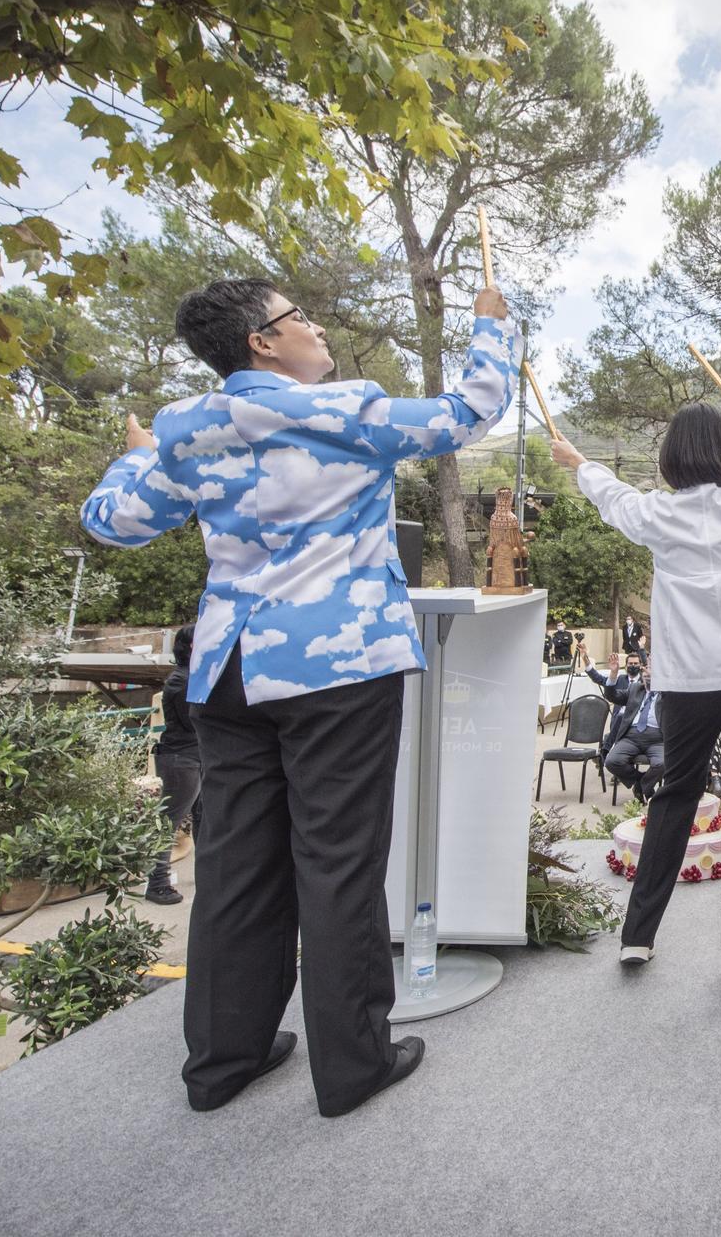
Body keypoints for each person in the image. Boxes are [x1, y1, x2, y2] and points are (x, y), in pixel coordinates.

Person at [82, 276, 517, 1116]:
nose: (315, 327)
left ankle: (222, 1060)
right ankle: (352, 1064)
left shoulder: (185, 430)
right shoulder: (345, 412)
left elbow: (114, 521)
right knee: (339, 863)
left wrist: (138, 450)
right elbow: (469, 407)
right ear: (262, 341)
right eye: (299, 318)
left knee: (236, 866)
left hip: (229, 670)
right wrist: (490, 326)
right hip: (338, 665)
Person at [554, 397, 721, 986]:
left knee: (675, 795)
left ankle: (638, 935)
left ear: (672, 459)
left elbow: (611, 496)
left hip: (688, 682)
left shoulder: (658, 515)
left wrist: (578, 460)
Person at [148, 624, 203, 905]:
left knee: (203, 819)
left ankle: (208, 875)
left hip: (194, 757)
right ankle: (157, 883)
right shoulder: (181, 680)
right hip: (181, 758)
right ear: (191, 646)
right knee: (169, 821)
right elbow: (195, 720)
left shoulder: (191, 677)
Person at [586, 652, 666, 802]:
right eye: (646, 669)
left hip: (657, 739)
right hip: (631, 737)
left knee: (663, 763)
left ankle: (643, 786)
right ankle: (640, 782)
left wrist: (659, 681)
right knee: (611, 761)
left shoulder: (667, 694)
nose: (646, 673)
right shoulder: (636, 689)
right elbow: (612, 696)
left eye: (651, 669)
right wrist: (613, 674)